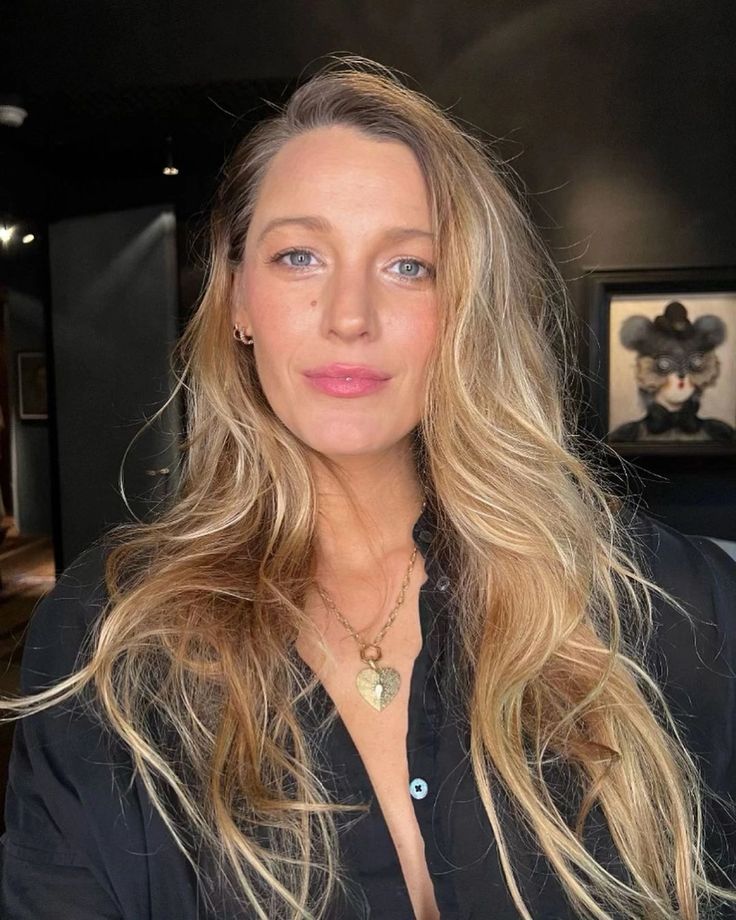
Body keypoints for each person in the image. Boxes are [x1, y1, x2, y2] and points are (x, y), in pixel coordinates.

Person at [1, 55, 735, 920]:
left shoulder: (670, 608)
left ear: (465, 303)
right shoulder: (107, 639)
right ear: (238, 297)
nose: (350, 315)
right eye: (300, 255)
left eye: (408, 267)